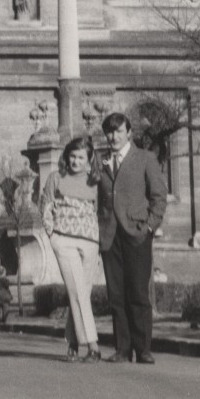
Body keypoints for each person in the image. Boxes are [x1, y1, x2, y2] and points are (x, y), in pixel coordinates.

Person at [98, 112, 167, 364]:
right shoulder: (100, 161)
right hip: (110, 235)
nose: (113, 136)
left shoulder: (145, 158)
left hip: (137, 233)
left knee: (138, 292)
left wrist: (149, 227)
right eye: (109, 131)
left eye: (118, 131)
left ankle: (143, 348)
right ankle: (122, 349)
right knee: (116, 294)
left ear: (129, 133)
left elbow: (159, 196)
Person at [41, 136, 102, 363]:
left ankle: (73, 342)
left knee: (81, 293)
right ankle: (93, 346)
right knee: (77, 291)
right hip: (64, 240)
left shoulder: (96, 180)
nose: (75, 161)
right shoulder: (56, 178)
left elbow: (99, 211)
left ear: (89, 159)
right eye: (72, 156)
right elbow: (45, 207)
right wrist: (53, 235)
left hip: (90, 242)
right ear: (66, 157)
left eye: (81, 158)